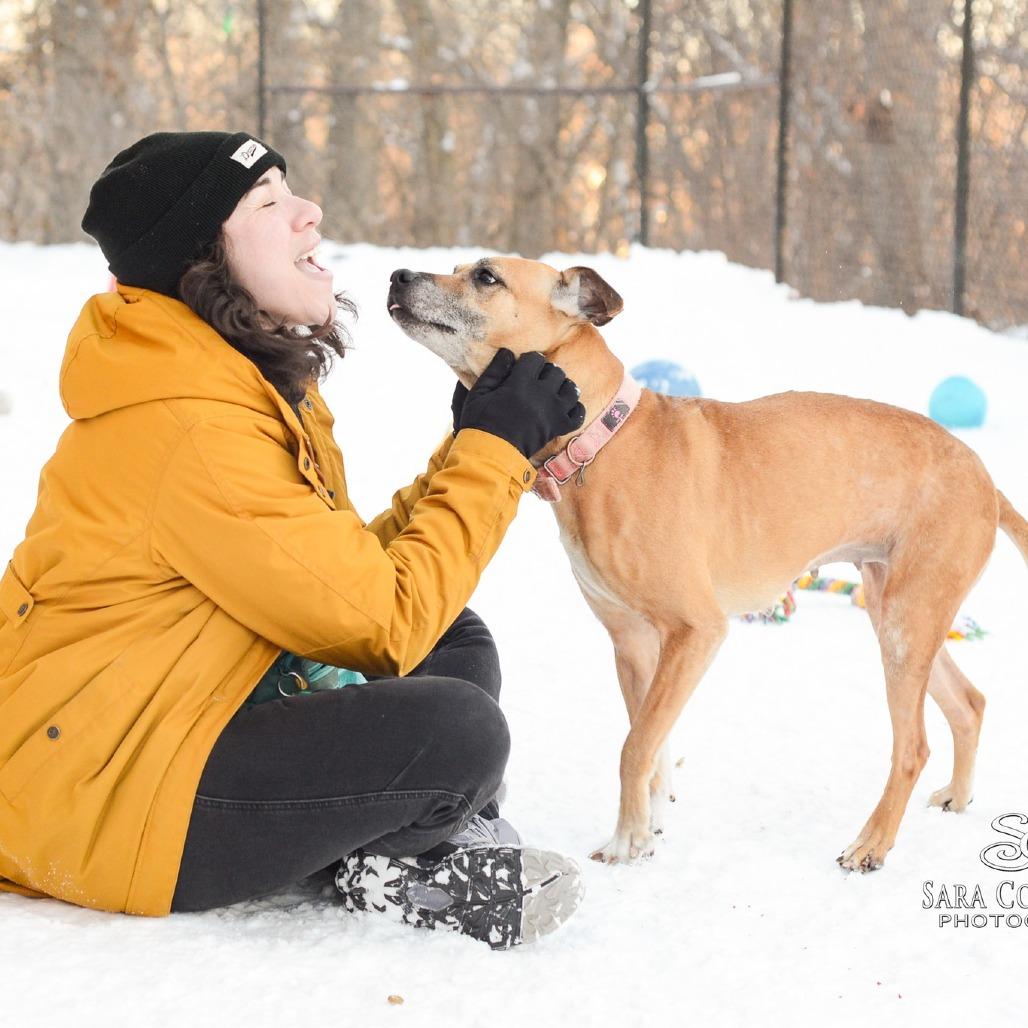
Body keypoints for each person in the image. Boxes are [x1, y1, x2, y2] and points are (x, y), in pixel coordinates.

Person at [0, 131, 587, 950]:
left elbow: (339, 579)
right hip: (103, 793)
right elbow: (380, 623)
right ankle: (400, 858)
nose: (309, 212)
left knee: (453, 638)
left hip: (189, 706)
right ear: (204, 258)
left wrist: (474, 443)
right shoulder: (194, 424)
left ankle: (389, 841)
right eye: (271, 204)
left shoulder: (229, 376)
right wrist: (494, 452)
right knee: (458, 732)